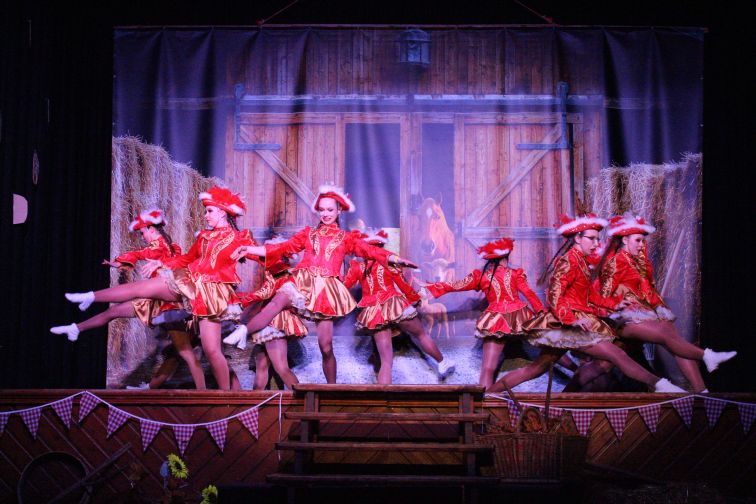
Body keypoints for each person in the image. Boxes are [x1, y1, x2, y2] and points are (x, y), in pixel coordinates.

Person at [62, 187, 256, 390]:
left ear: (222, 212)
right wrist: (161, 263)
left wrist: (272, 259)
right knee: (140, 289)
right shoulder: (204, 237)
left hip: (212, 293)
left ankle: (225, 399)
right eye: (205, 211)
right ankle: (90, 296)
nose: (206, 215)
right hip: (189, 283)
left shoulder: (238, 238)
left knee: (211, 350)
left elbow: (262, 253)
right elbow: (187, 259)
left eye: (209, 211)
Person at [228, 184, 417, 383]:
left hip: (326, 291)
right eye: (322, 210)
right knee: (276, 303)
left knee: (326, 347)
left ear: (338, 211)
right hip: (303, 281)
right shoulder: (308, 234)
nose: (325, 214)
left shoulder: (346, 238)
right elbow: (281, 248)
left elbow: (371, 251)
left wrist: (396, 259)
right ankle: (243, 332)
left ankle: (331, 389)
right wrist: (248, 250)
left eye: (330, 210)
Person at [488, 211, 687, 394]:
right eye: (591, 238)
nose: (595, 244)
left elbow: (590, 296)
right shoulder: (568, 261)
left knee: (536, 369)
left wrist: (614, 305)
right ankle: (660, 385)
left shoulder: (581, 262)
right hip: (570, 324)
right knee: (616, 354)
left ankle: (490, 395)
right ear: (577, 238)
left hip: (575, 322)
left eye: (597, 239)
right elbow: (554, 295)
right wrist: (571, 319)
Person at [50, 209, 205, 389]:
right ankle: (76, 327)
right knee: (115, 312)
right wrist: (122, 261)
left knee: (184, 352)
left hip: (166, 306)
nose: (142, 237)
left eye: (143, 232)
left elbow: (141, 253)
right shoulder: (171, 247)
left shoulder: (159, 246)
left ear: (151, 229)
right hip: (158, 302)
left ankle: (203, 393)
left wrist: (120, 261)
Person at [597, 212, 736, 392]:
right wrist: (618, 305)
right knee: (665, 333)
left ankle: (702, 392)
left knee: (672, 336)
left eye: (642, 241)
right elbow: (603, 294)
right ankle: (707, 356)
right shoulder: (616, 262)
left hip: (641, 316)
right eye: (637, 240)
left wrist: (659, 308)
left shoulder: (638, 263)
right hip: (622, 321)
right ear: (624, 240)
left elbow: (648, 292)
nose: (641, 245)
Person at [420, 237, 544, 389]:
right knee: (549, 353)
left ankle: (484, 400)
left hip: (496, 320)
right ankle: (568, 367)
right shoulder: (515, 273)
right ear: (506, 257)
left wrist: (432, 288)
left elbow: (456, 285)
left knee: (488, 368)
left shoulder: (482, 275)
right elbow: (529, 294)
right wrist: (542, 312)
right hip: (520, 317)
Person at [342, 228, 454, 384]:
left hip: (374, 311)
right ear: (381, 246)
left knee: (386, 361)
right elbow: (403, 285)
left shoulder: (357, 267)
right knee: (421, 335)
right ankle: (442, 362)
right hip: (394, 304)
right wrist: (415, 299)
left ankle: (383, 398)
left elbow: (344, 285)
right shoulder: (389, 262)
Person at [223, 237, 307, 390]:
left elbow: (266, 292)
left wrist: (243, 303)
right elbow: (256, 256)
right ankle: (256, 402)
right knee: (261, 365)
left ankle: (302, 400)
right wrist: (238, 248)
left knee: (281, 367)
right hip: (267, 320)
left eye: (269, 251)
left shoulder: (280, 273)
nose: (264, 258)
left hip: (274, 321)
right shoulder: (274, 267)